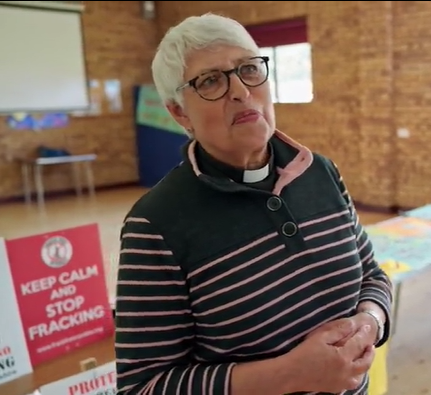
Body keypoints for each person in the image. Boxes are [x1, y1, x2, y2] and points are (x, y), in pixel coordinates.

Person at [114, 12, 394, 395]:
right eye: (210, 80)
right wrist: (288, 374)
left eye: (248, 69)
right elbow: (141, 387)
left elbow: (372, 276)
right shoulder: (155, 224)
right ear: (179, 112)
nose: (241, 91)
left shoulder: (321, 173)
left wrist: (371, 321)